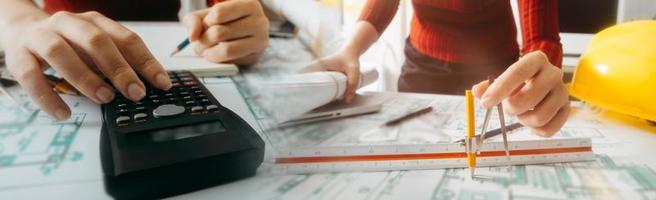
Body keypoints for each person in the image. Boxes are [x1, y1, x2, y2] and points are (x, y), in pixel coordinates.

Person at [314, 0, 569, 137]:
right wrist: (351, 49)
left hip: (497, 70)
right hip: (423, 67)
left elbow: (542, 34)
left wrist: (541, 70)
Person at [0, 0, 269, 120]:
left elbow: (229, 5)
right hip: (61, 45)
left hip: (165, 36)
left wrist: (238, 22)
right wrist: (21, 23)